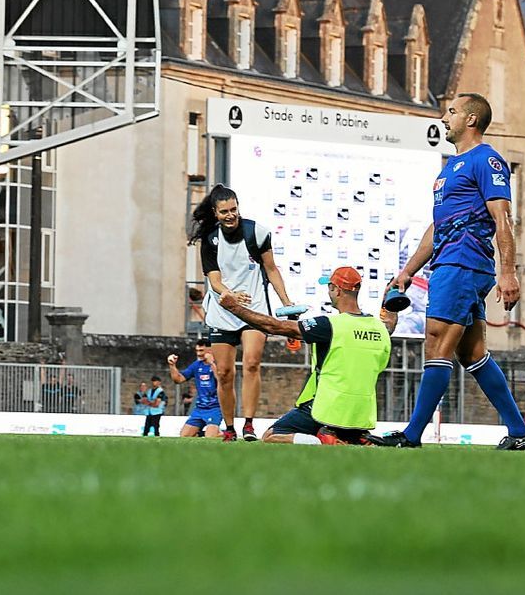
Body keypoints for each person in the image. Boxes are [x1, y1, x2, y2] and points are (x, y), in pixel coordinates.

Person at [370, 93, 525, 450]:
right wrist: (407, 272)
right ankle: (520, 433)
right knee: (471, 354)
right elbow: (437, 227)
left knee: (435, 342)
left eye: (452, 111)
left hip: (463, 262)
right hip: (451, 262)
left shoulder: (486, 159)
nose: (444, 117)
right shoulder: (449, 168)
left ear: (471, 119)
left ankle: (411, 435)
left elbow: (503, 218)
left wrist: (509, 272)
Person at [222, 267, 395, 444]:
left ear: (336, 290)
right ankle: (354, 438)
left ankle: (321, 440)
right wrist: (390, 300)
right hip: (359, 415)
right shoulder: (379, 328)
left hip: (326, 409)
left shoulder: (329, 325)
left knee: (271, 436)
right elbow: (389, 323)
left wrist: (234, 308)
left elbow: (275, 327)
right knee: (348, 433)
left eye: (329, 287)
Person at [189, 184, 297, 442]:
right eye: (224, 211)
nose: (230, 215)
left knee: (251, 362)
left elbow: (271, 270)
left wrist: (287, 304)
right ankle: (229, 427)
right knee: (224, 373)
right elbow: (214, 280)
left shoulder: (256, 232)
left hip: (255, 307)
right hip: (223, 309)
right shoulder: (210, 240)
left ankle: (248, 424)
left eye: (234, 209)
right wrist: (230, 294)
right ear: (215, 213)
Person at [168, 343, 221, 438]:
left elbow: (222, 381)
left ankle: (225, 435)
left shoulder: (218, 364)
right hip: (199, 409)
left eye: (201, 351)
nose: (198, 354)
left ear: (210, 351)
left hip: (215, 408)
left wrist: (212, 363)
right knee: (184, 436)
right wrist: (172, 365)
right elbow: (178, 379)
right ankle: (222, 434)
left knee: (210, 438)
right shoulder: (196, 366)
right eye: (197, 351)